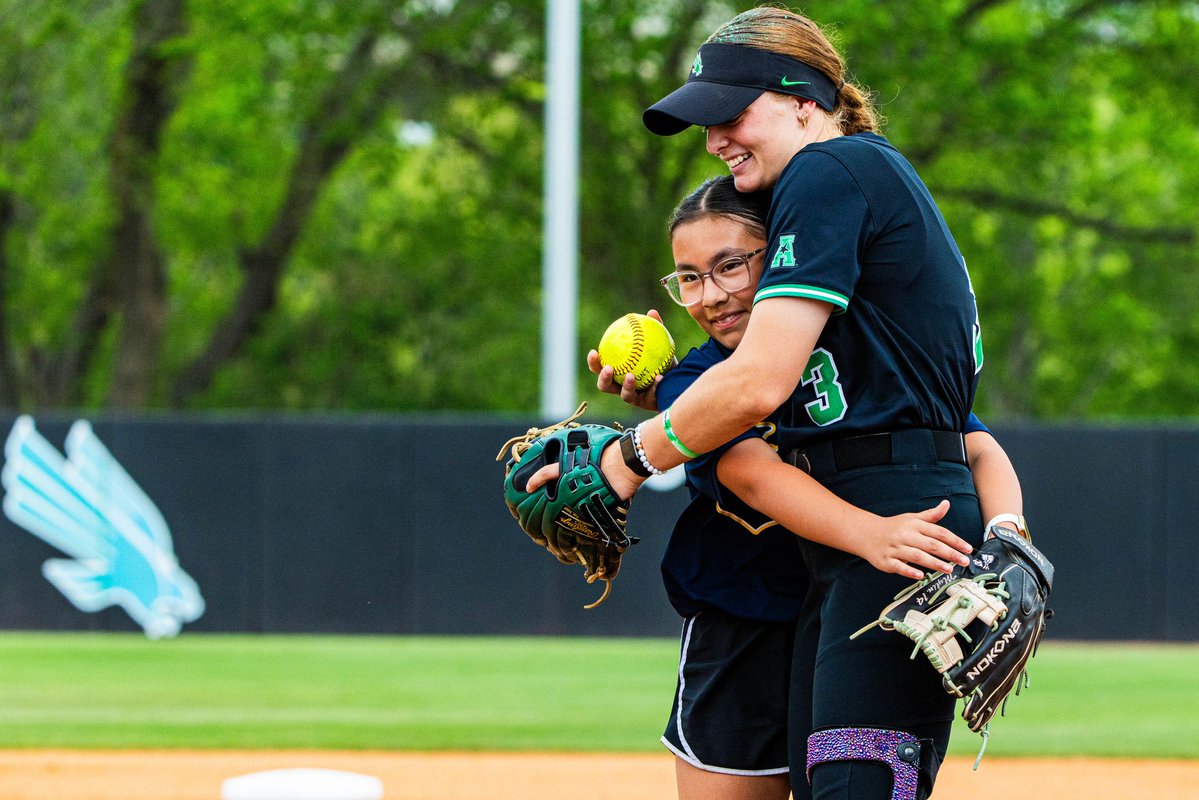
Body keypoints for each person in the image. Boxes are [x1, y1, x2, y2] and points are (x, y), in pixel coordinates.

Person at [526, 7, 1026, 798]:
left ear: (805, 100)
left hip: (898, 523)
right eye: (705, 123)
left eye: (733, 114)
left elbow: (759, 382)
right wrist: (669, 392)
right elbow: (780, 385)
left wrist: (628, 458)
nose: (716, 138)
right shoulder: (859, 176)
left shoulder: (828, 171)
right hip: (874, 525)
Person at [605, 174, 1022, 800]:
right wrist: (870, 533)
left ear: (783, 256)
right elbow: (749, 470)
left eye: (729, 266)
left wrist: (1008, 538)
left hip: (841, 608)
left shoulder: (855, 351)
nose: (709, 296)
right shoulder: (703, 376)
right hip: (741, 612)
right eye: (689, 277)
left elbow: (978, 445)